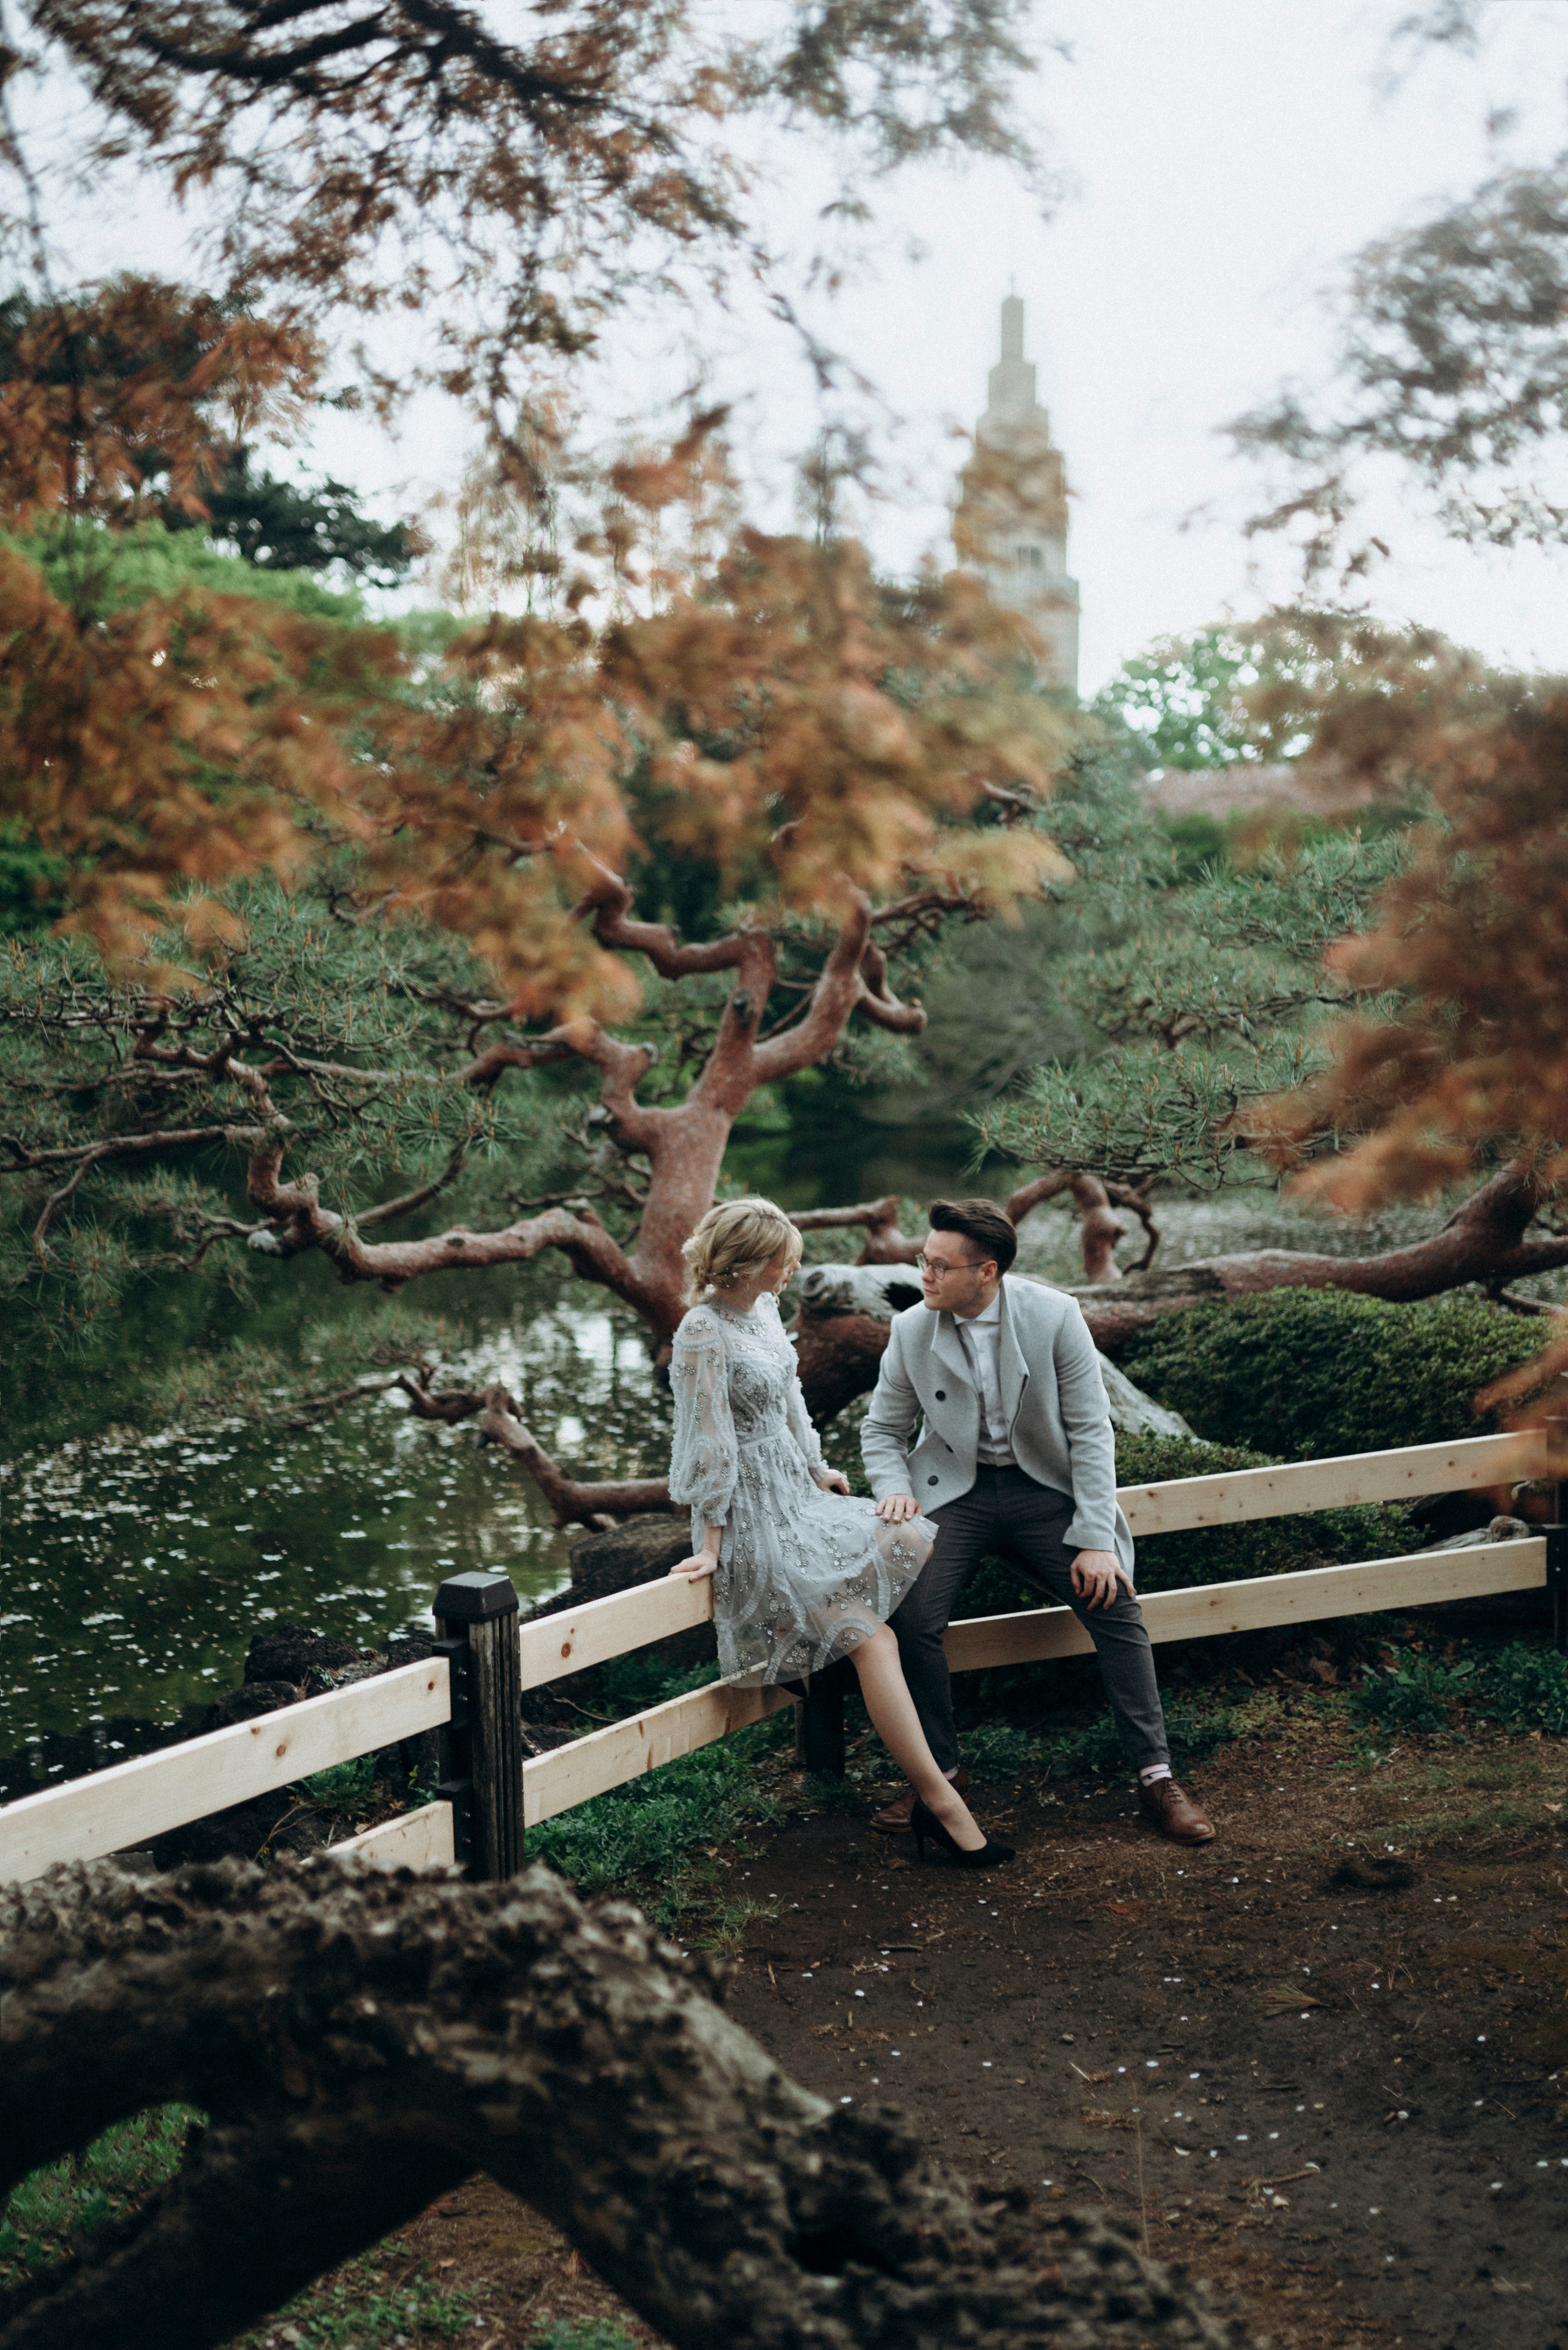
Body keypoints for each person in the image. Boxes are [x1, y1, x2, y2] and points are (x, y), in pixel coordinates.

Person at [666, 1197, 1013, 1869]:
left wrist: (820, 1468)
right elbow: (706, 1441)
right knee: (870, 1637)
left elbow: (792, 1402)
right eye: (782, 1257)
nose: (792, 1268)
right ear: (748, 1262)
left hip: (795, 1491)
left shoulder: (764, 1310)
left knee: (908, 1535)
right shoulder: (701, 1331)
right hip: (747, 1512)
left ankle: (931, 1787)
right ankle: (942, 1801)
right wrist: (709, 1544)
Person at [859, 1197, 1215, 1847]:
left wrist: (1094, 1539)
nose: (925, 1275)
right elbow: (882, 1430)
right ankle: (941, 1776)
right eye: (923, 1261)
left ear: (985, 1272)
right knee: (912, 1616)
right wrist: (893, 1491)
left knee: (1116, 1604)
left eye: (940, 1265)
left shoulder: (1053, 1315)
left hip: (1039, 1486)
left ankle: (1156, 1776)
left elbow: (1089, 1432)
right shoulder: (912, 1328)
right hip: (954, 1493)